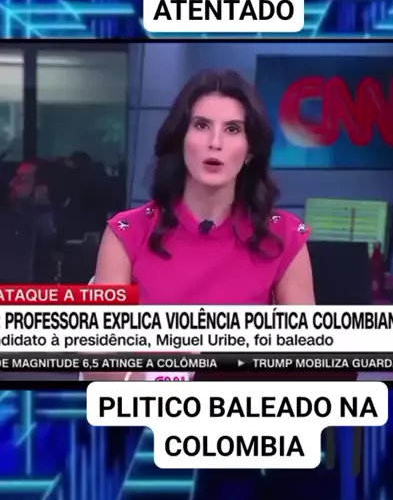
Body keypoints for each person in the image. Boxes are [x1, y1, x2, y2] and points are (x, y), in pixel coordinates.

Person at [87, 68, 355, 381]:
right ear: (181, 138)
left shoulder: (283, 236)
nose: (215, 143)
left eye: (232, 129)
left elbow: (306, 361)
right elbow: (98, 367)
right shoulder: (128, 233)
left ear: (250, 149)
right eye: (201, 126)